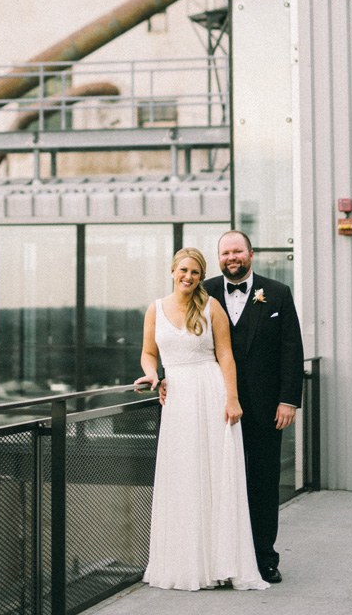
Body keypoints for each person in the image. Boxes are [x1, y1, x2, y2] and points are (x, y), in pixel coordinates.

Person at [135, 247, 269, 591]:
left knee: (214, 476)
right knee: (182, 477)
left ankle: (220, 564)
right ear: (172, 271)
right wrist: (153, 376)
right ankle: (185, 563)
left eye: (195, 272)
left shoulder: (212, 308)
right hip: (177, 399)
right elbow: (149, 353)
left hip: (211, 396)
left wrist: (233, 399)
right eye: (183, 270)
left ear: (200, 276)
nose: (188, 277)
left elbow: (226, 354)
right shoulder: (155, 309)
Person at [202, 230, 305, 583]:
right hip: (214, 407)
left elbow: (292, 350)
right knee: (218, 483)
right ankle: (220, 561)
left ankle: (264, 558)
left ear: (251, 253)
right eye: (225, 252)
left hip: (265, 409)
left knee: (263, 482)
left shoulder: (277, 293)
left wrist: (288, 399)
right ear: (218, 258)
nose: (231, 257)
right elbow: (187, 337)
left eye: (237, 251)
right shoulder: (205, 291)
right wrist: (165, 377)